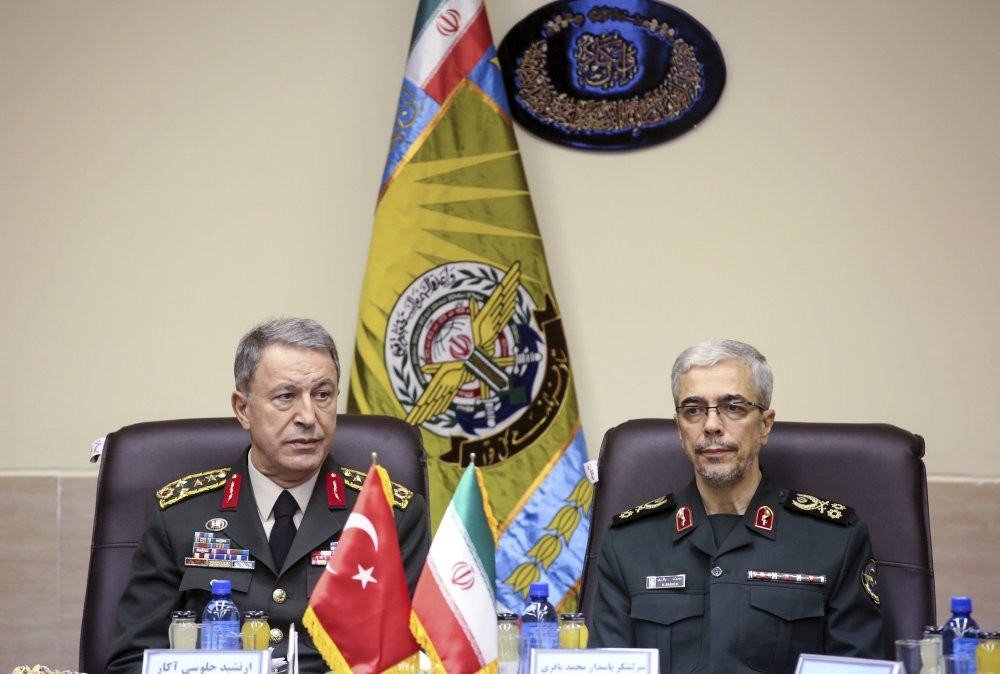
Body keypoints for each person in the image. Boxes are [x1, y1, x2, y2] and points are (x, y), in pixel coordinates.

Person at [105, 317, 431, 674]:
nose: (308, 416)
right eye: (286, 396)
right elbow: (132, 661)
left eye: (322, 395)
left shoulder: (389, 514)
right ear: (244, 409)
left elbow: (424, 656)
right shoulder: (180, 514)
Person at [589, 339, 884, 673]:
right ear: (679, 429)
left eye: (734, 407)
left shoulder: (834, 539)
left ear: (765, 425)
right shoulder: (629, 542)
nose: (712, 425)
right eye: (693, 410)